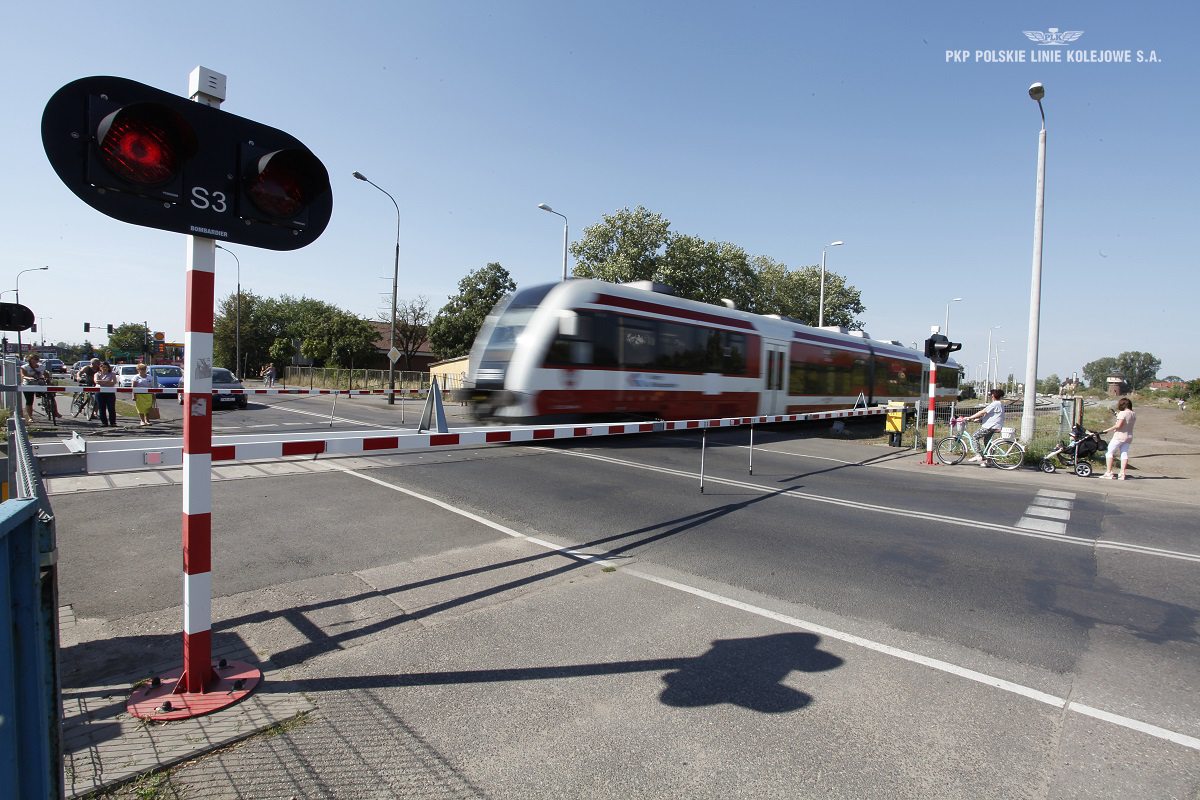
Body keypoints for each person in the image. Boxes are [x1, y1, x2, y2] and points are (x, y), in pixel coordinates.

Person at [965, 388, 1006, 467]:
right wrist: (980, 419)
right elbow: (993, 415)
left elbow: (982, 412)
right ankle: (989, 461)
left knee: (974, 436)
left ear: (993, 395)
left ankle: (978, 455)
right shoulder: (1000, 403)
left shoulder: (994, 404)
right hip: (995, 426)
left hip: (989, 426)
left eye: (991, 395)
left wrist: (970, 417)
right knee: (987, 442)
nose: (991, 396)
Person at [1102, 397, 1136, 480]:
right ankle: (1122, 473)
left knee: (1109, 452)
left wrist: (1106, 430)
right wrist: (1118, 416)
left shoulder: (1122, 413)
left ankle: (1109, 472)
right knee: (1124, 454)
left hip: (1119, 436)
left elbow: (1118, 426)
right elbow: (1126, 421)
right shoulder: (1133, 414)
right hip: (1129, 436)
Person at [20, 353, 58, 423]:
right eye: (35, 359)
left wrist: (48, 378)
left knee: (51, 395)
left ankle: (55, 412)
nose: (37, 360)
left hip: (39, 383)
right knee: (29, 401)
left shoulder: (41, 366)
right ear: (30, 360)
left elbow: (45, 373)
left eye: (38, 359)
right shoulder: (24, 367)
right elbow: (23, 376)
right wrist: (29, 378)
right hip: (29, 384)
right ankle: (30, 417)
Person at [94, 361, 118, 427]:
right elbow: (97, 381)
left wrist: (103, 382)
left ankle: (113, 422)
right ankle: (104, 422)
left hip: (110, 393)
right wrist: (107, 381)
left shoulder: (112, 374)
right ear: (100, 368)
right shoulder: (97, 374)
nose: (105, 369)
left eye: (106, 367)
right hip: (100, 393)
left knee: (111, 408)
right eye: (103, 367)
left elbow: (114, 382)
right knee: (101, 408)